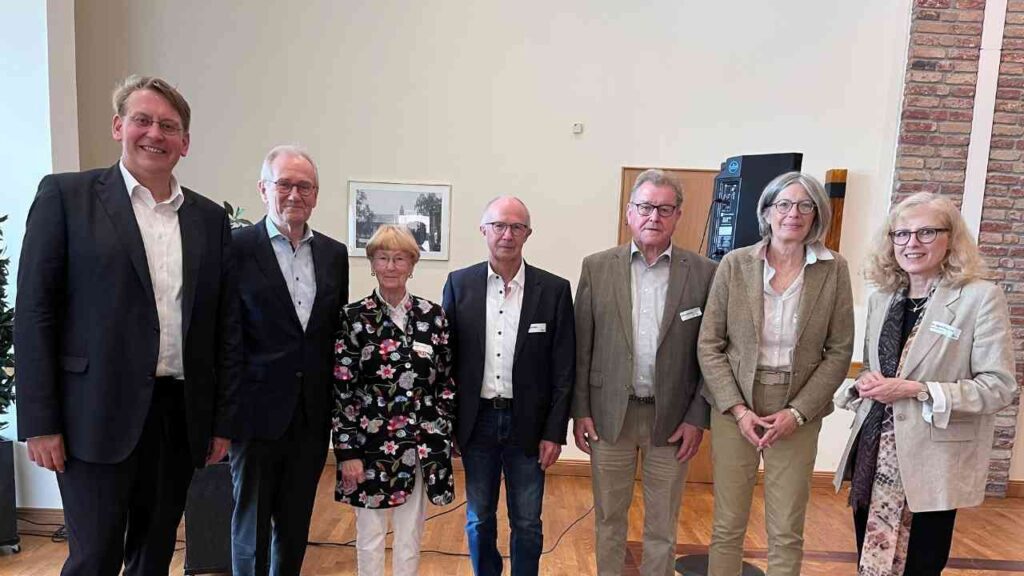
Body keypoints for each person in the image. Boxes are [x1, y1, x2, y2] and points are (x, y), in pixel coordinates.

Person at [14, 75, 240, 576]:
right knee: (94, 558)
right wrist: (40, 421)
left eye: (168, 126)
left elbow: (222, 328)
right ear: (119, 126)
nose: (154, 134)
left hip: (177, 418)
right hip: (91, 417)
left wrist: (220, 422)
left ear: (185, 142)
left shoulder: (207, 219)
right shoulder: (67, 198)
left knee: (154, 554)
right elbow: (34, 314)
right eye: (143, 120)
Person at [833, 192, 1016, 576]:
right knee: (868, 557)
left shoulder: (979, 298)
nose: (911, 243)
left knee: (921, 564)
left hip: (931, 464)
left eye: (926, 232)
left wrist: (918, 390)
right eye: (901, 234)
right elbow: (876, 367)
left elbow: (999, 387)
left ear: (951, 239)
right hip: (873, 454)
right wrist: (866, 381)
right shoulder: (884, 298)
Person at [697, 172, 854, 575]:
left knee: (786, 527)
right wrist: (737, 410)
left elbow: (838, 351)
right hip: (737, 405)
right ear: (766, 212)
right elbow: (709, 344)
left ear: (817, 214)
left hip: (798, 406)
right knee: (727, 524)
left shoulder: (833, 269)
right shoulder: (734, 265)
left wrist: (798, 413)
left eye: (806, 205)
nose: (793, 214)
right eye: (783, 204)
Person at [573, 169, 716, 576]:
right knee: (608, 519)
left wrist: (696, 417)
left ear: (678, 215)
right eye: (645, 207)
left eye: (664, 208)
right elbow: (583, 346)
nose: (654, 216)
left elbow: (712, 353)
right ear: (629, 213)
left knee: (662, 525)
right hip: (608, 416)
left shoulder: (704, 272)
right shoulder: (597, 268)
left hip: (671, 420)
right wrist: (580, 409)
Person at [229, 145, 349, 576]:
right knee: (251, 526)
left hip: (310, 415)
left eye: (305, 186)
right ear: (264, 189)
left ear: (316, 195)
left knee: (296, 523)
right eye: (284, 184)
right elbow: (225, 335)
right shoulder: (236, 248)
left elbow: (334, 334)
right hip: (254, 416)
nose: (294, 194)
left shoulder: (334, 255)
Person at [442, 196, 575, 576]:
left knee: (528, 521)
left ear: (528, 234)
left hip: (529, 426)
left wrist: (555, 432)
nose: (507, 234)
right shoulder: (459, 284)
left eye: (517, 227)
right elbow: (445, 360)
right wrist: (449, 425)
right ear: (484, 230)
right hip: (477, 422)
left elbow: (563, 368)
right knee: (479, 518)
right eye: (499, 225)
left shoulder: (553, 290)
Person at [333, 225, 455, 576]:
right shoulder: (353, 318)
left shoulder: (433, 317)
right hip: (368, 445)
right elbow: (343, 389)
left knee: (410, 533)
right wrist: (347, 452)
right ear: (371, 264)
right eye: (382, 258)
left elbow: (444, 382)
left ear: (412, 265)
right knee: (370, 534)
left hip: (419, 445)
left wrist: (441, 432)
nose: (390, 266)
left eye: (399, 258)